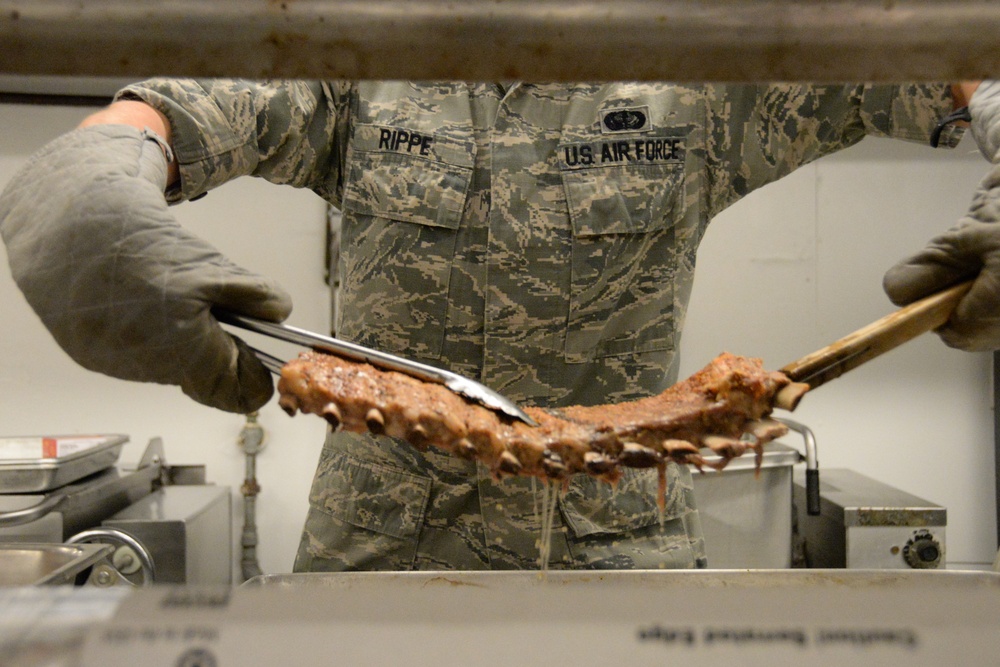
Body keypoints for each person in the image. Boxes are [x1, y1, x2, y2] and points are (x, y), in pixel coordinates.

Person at [0, 79, 994, 572]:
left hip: (619, 544)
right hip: (381, 546)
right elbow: (180, 108)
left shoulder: (695, 75)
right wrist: (97, 171)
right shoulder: (359, 64)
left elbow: (925, 60)